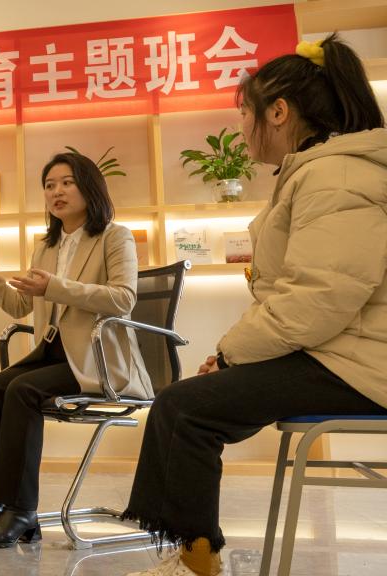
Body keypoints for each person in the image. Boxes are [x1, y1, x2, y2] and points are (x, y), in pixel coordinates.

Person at [121, 34, 387, 576]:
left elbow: (319, 297)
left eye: (246, 113)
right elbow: (297, 296)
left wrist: (231, 354)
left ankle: (196, 562)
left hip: (358, 365)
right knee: (189, 403)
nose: (243, 128)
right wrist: (233, 357)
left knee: (185, 407)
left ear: (279, 111)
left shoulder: (333, 175)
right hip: (341, 354)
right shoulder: (323, 171)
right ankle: (193, 555)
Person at [0, 152, 150, 548]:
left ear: (89, 187)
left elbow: (123, 298)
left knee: (22, 390)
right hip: (51, 354)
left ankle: (21, 509)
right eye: (49, 185)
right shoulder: (46, 247)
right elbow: (20, 306)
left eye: (66, 182)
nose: (56, 191)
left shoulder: (115, 236)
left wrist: (56, 287)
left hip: (97, 362)